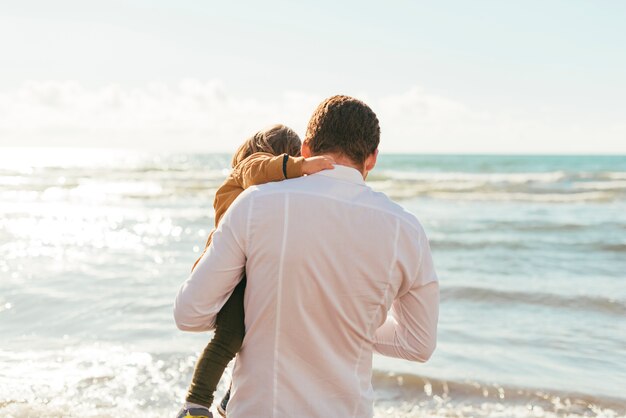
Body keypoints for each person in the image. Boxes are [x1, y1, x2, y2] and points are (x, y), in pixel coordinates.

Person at [174, 95, 439, 418]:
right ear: (372, 159)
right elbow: (418, 344)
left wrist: (274, 311)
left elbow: (190, 314)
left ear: (306, 149)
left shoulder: (255, 204)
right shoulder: (406, 229)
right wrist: (346, 318)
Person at [176, 124, 334, 418]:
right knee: (229, 338)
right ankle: (195, 404)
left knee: (260, 339)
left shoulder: (272, 191)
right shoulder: (248, 170)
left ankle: (231, 398)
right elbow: (260, 170)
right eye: (288, 162)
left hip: (254, 268)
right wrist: (303, 165)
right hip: (233, 273)